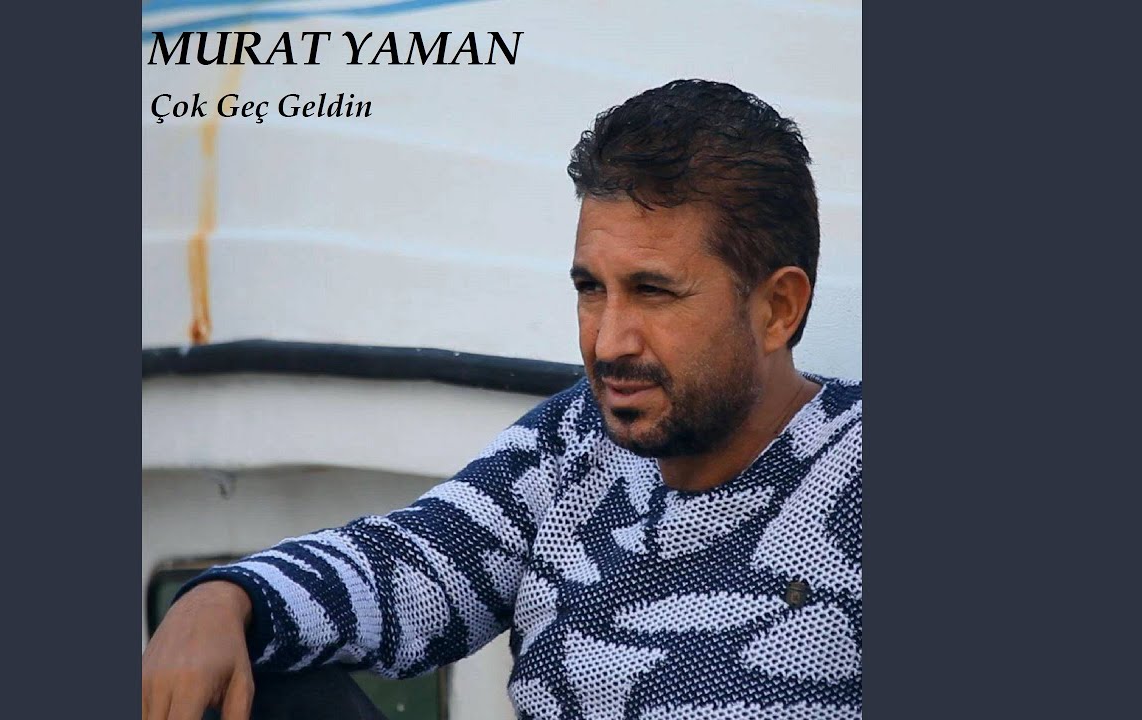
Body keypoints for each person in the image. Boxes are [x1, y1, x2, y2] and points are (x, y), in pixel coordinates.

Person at [142, 79, 862, 720]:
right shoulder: (576, 442)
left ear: (777, 308)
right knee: (260, 677)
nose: (608, 341)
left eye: (653, 292)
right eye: (590, 289)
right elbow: (412, 562)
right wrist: (224, 599)